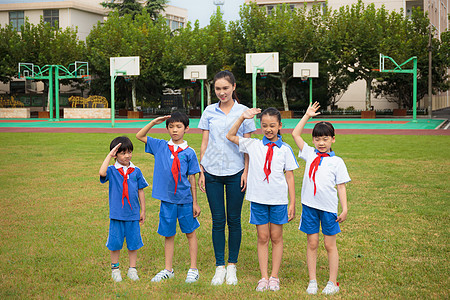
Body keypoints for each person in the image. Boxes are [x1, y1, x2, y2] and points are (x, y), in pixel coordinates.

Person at [226, 107, 298, 292]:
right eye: (264, 125)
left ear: (280, 126)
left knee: (276, 237)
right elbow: (230, 135)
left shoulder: (285, 150)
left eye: (272, 125)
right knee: (262, 237)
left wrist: (292, 202)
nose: (268, 129)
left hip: (278, 200)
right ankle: (264, 277)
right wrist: (242, 117)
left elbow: (289, 177)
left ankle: (274, 277)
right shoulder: (253, 144)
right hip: (258, 199)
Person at [198, 70, 256, 285]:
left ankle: (232, 266)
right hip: (212, 171)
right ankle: (219, 267)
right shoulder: (209, 111)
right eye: (218, 89)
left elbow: (248, 145)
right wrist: (201, 170)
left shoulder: (245, 112)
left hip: (236, 172)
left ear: (233, 87)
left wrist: (246, 172)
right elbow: (205, 143)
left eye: (225, 88)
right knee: (217, 221)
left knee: (234, 220)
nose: (221, 92)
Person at [291, 102, 351, 295]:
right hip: (309, 207)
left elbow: (341, 186)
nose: (321, 143)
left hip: (328, 209)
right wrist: (307, 115)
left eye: (325, 139)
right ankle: (313, 281)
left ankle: (332, 282)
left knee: (329, 244)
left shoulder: (337, 162)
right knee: (312, 243)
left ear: (333, 139)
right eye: (317, 139)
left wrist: (344, 209)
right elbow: (295, 134)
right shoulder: (309, 153)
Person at [136, 111, 201, 284]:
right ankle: (168, 269)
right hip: (167, 200)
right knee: (168, 234)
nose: (174, 130)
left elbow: (192, 177)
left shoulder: (190, 152)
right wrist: (153, 122)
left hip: (185, 200)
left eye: (179, 127)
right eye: (171, 127)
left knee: (190, 233)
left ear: (186, 128)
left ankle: (193, 269)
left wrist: (195, 202)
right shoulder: (160, 146)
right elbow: (139, 135)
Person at [99, 136, 148, 282]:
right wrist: (109, 155)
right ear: (116, 155)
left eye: (129, 152)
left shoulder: (136, 170)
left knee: (133, 243)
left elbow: (141, 190)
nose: (127, 155)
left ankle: (132, 269)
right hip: (117, 214)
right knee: (115, 243)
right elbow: (102, 173)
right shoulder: (112, 170)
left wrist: (143, 210)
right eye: (123, 153)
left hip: (133, 214)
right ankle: (115, 269)